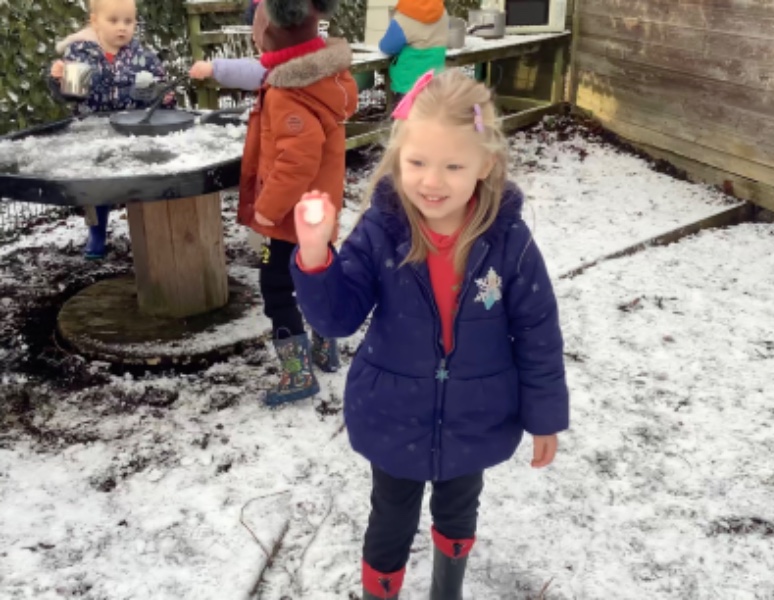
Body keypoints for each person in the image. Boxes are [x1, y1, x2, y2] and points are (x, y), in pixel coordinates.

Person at [290, 69, 570, 599]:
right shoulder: (384, 230)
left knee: (459, 511)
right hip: (393, 414)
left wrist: (545, 416)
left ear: (485, 165)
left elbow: (537, 329)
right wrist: (314, 253)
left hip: (476, 415)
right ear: (399, 157)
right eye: (417, 162)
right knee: (390, 519)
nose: (432, 182)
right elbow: (337, 319)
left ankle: (447, 591)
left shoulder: (507, 239)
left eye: (453, 166)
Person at [237, 0, 359, 406]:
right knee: (320, 280)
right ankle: (326, 349)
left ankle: (297, 373)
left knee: (277, 290)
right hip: (319, 214)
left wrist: (267, 209)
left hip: (289, 220)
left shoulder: (288, 93)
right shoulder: (323, 81)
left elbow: (297, 160)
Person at [48, 0, 174, 260]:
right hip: (93, 130)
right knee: (97, 185)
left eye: (128, 21)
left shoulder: (142, 56)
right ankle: (97, 232)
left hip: (132, 129)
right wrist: (59, 81)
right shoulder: (81, 53)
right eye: (114, 21)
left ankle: (150, 233)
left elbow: (159, 86)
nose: (122, 28)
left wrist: (164, 95)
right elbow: (71, 94)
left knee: (143, 178)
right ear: (95, 21)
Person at [379, 0, 448, 102]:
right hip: (436, 80)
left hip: (408, 85)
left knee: (405, 113)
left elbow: (387, 47)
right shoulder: (442, 13)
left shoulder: (403, 19)